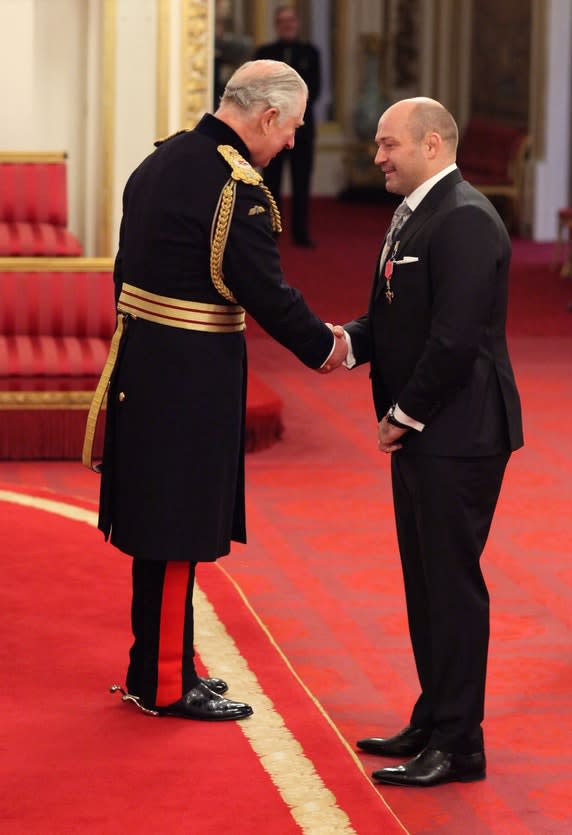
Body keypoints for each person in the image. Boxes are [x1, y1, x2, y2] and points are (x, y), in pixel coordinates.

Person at [83, 59, 347, 722]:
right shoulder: (236, 186)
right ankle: (165, 682)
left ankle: (163, 659)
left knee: (159, 522)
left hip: (147, 365)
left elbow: (125, 268)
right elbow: (267, 293)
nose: (291, 141)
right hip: (189, 380)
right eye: (289, 128)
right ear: (264, 117)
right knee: (177, 527)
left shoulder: (164, 159)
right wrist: (327, 347)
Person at [338, 97, 523, 787]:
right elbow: (400, 311)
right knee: (425, 582)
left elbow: (456, 338)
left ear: (434, 144)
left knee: (451, 585)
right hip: (432, 429)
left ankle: (460, 743)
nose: (377, 155)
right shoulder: (419, 209)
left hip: (460, 430)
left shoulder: (467, 218)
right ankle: (434, 715)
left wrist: (403, 413)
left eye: (389, 144)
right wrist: (350, 344)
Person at [254, 5, 320, 247]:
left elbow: (315, 90)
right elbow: (258, 90)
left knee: (302, 182)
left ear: (297, 23)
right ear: (276, 24)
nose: (287, 25)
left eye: (291, 20)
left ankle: (301, 233)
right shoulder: (264, 52)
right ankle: (271, 230)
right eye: (282, 21)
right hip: (270, 128)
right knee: (270, 183)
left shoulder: (310, 53)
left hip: (302, 130)